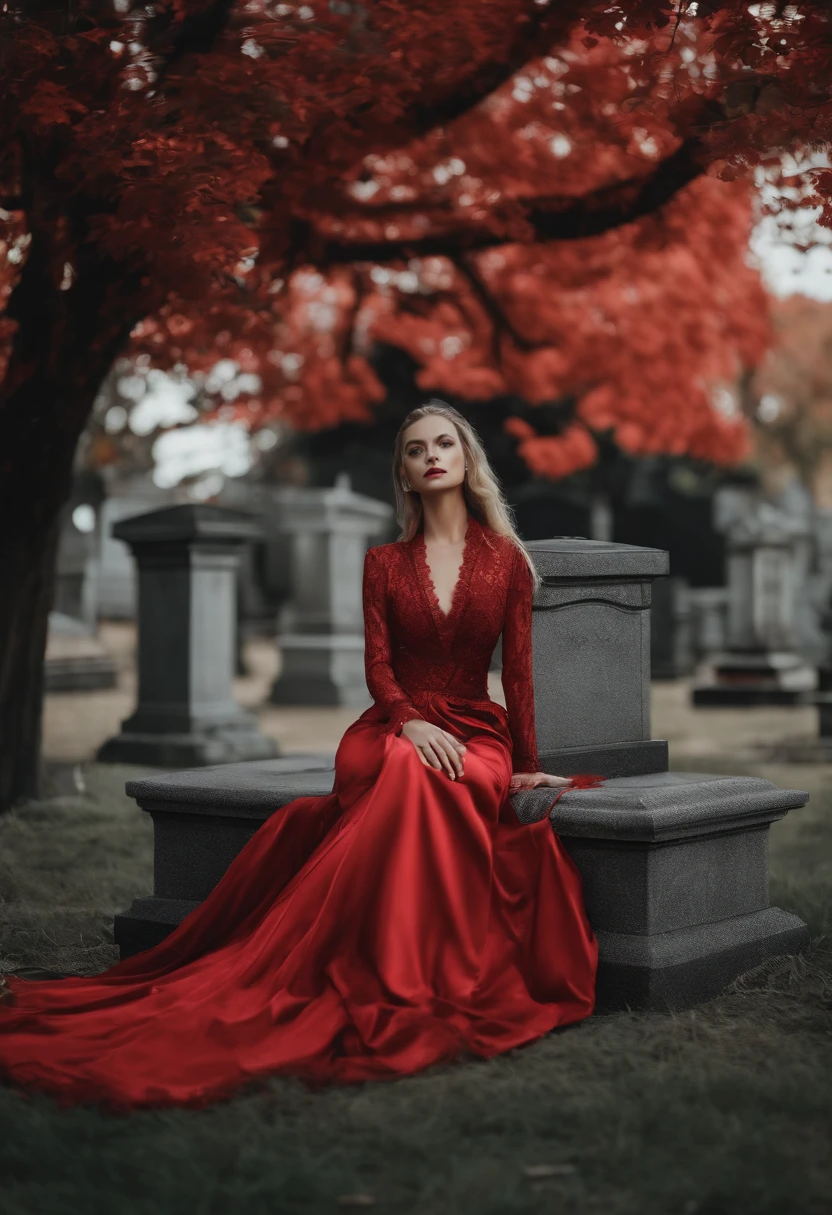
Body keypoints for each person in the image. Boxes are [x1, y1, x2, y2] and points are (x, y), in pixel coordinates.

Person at [0, 401, 598, 1111]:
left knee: (449, 776)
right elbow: (378, 666)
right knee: (409, 768)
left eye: (445, 443)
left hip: (477, 727)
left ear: (468, 459)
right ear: (403, 474)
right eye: (415, 449)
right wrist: (407, 722)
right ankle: (395, 977)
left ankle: (409, 970)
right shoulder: (382, 563)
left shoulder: (507, 562)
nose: (432, 456)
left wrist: (526, 758)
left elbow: (521, 671)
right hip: (391, 728)